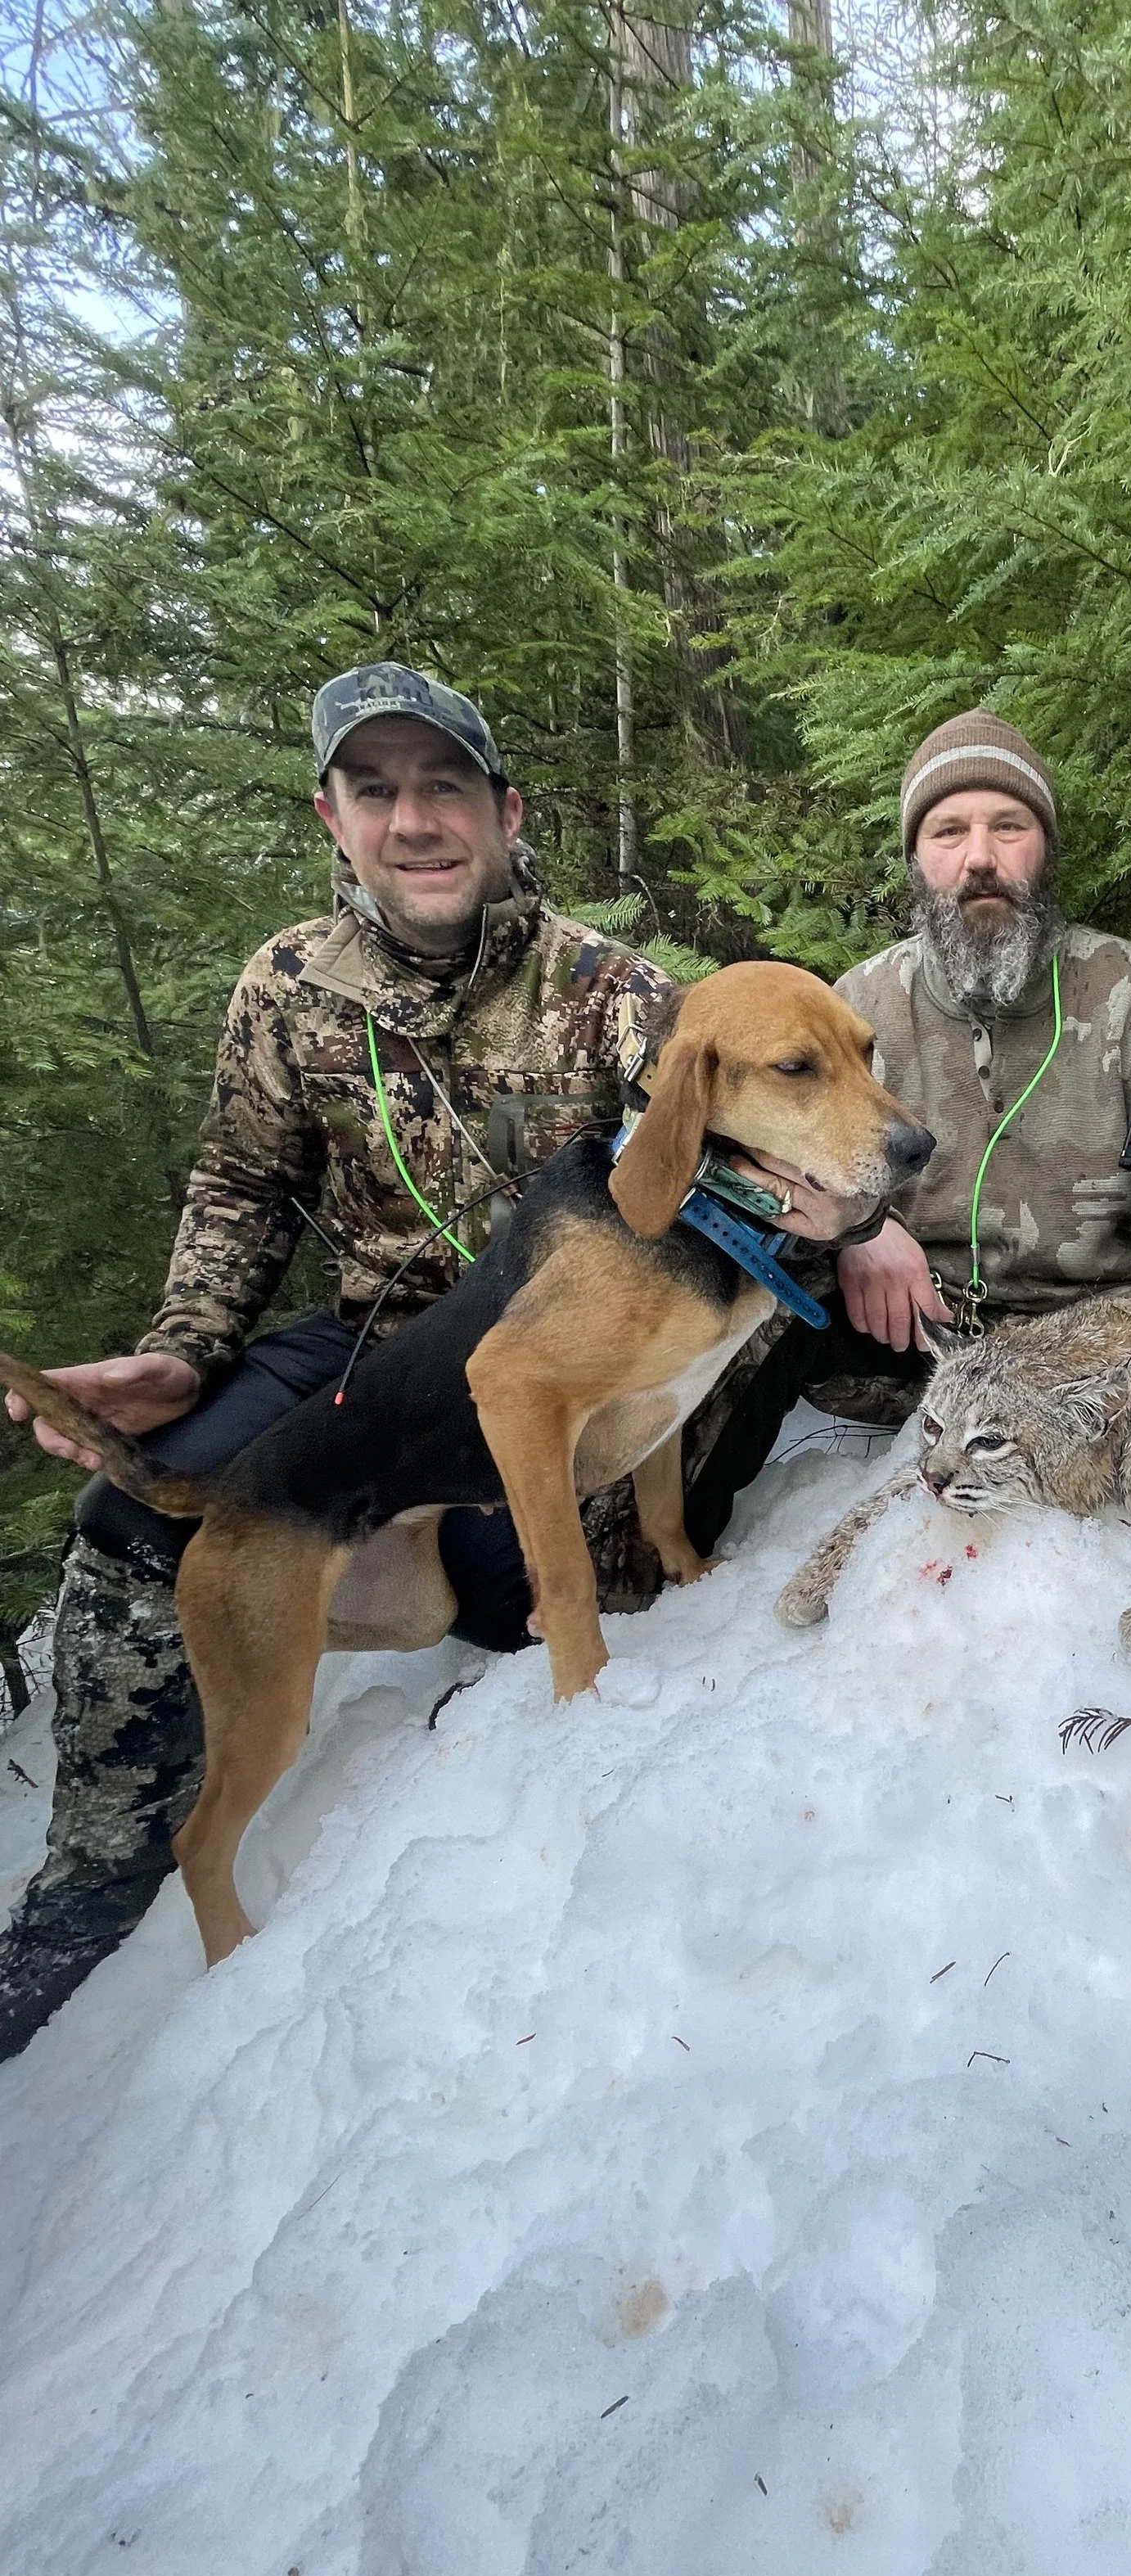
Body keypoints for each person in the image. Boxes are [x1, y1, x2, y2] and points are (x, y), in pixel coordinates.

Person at [0, 663, 675, 2059]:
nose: (414, 820)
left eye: (445, 787)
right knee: (137, 1512)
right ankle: (91, 1885)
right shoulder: (289, 987)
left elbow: (724, 1147)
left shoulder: (614, 992)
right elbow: (242, 1187)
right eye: (378, 790)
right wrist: (188, 1351)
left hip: (546, 1353)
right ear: (333, 816)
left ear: (505, 811)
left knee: (512, 1608)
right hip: (368, 1331)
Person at [682, 708, 1131, 1548]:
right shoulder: (854, 1007)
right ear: (915, 859)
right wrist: (858, 1232)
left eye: (1007, 826)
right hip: (905, 1345)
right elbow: (744, 1173)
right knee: (737, 1289)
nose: (978, 856)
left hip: (1094, 1361)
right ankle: (660, 1540)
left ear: (1042, 850)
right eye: (948, 830)